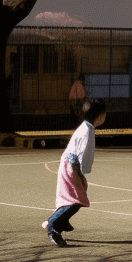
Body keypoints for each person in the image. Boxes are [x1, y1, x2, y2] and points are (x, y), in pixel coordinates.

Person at [43, 98, 106, 247]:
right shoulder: (87, 131)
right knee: (76, 201)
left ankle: (61, 221)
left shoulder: (87, 127)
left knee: (74, 198)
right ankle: (52, 225)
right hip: (71, 166)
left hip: (71, 165)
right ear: (101, 116)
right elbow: (80, 155)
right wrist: (81, 174)